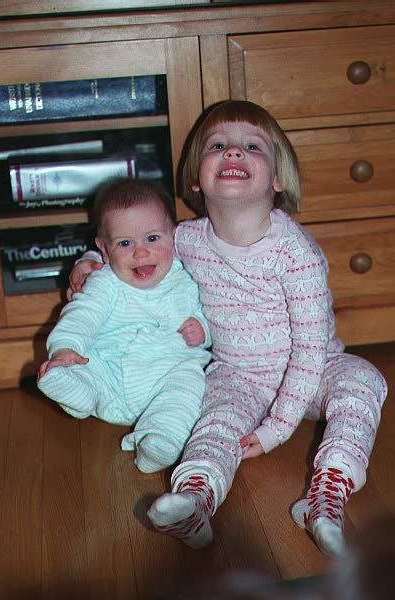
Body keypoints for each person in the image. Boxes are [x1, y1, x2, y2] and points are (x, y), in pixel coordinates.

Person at [68, 101, 387, 556]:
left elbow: (310, 350)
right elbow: (136, 244)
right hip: (237, 373)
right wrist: (90, 262)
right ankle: (195, 500)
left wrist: (277, 428)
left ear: (277, 179)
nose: (233, 152)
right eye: (217, 145)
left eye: (252, 147)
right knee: (215, 421)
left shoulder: (297, 254)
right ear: (197, 179)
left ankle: (326, 494)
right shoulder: (188, 240)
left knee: (363, 378)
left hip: (313, 370)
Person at [37, 179, 211, 474]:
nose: (140, 253)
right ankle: (79, 392)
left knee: (188, 388)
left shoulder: (187, 276)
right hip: (111, 372)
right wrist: (65, 348)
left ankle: (159, 441)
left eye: (152, 238)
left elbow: (212, 312)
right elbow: (82, 315)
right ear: (104, 250)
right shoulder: (105, 282)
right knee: (85, 365)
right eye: (125, 243)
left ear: (174, 236)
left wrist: (202, 329)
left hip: (167, 372)